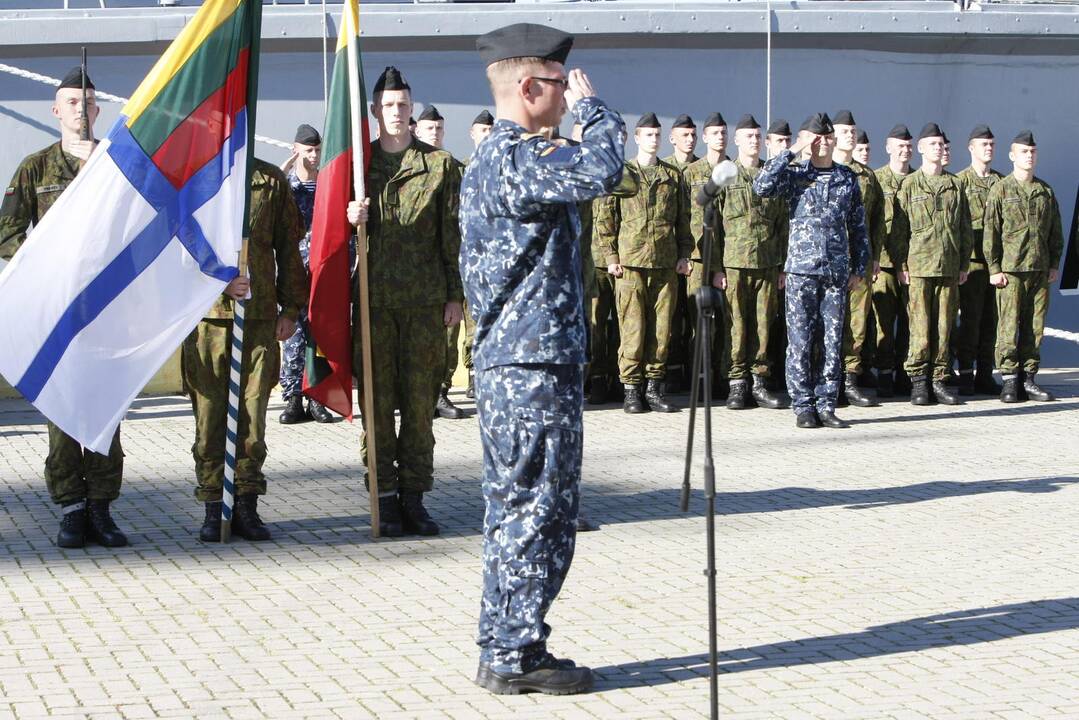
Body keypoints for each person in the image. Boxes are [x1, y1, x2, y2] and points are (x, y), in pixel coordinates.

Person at [460, 22, 625, 695]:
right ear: (529, 86)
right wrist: (595, 112)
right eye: (560, 83)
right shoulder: (511, 156)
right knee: (536, 510)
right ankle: (512, 653)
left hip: (527, 363)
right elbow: (603, 167)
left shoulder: (518, 156)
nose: (569, 94)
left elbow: (611, 177)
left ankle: (508, 643)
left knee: (524, 507)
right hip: (527, 369)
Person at [0, 66, 128, 549]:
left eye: (88, 101)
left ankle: (102, 509)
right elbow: (8, 231)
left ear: (99, 109)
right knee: (61, 413)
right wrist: (40, 275)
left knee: (105, 414)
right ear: (56, 110)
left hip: (106, 310)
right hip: (56, 316)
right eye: (71, 101)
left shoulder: (115, 165)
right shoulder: (36, 168)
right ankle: (71, 510)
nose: (81, 109)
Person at [345, 66, 463, 537]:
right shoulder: (357, 167)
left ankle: (415, 497)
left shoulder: (439, 165)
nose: (396, 113)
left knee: (418, 406)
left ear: (411, 110)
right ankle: (385, 497)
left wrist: (456, 293)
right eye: (388, 106)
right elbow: (330, 241)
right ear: (374, 112)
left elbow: (452, 234)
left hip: (424, 303)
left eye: (403, 105)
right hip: (373, 306)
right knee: (376, 404)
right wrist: (349, 216)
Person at [184, 159, 307, 542]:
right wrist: (220, 283)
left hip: (258, 318)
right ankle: (211, 504)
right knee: (210, 420)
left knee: (252, 419)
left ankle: (246, 504)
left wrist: (290, 309)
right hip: (205, 320)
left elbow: (289, 247)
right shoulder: (194, 173)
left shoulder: (269, 180)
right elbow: (178, 245)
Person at [753, 113, 870, 429]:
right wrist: (793, 150)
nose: (823, 144)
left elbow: (858, 227)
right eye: (816, 139)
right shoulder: (794, 176)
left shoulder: (847, 178)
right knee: (801, 340)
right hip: (802, 271)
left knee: (832, 341)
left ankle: (827, 403)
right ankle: (803, 405)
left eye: (827, 138)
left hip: (835, 271)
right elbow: (761, 186)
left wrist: (859, 267)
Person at [595, 113, 693, 413]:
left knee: (662, 331)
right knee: (633, 328)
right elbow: (606, 220)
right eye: (648, 135)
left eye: (656, 135)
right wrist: (611, 257)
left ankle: (654, 387)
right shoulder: (621, 174)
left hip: (664, 263)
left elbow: (683, 219)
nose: (653, 140)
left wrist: (683, 254)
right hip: (631, 264)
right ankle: (631, 390)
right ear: (636, 138)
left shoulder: (672, 175)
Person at [891, 123, 972, 406]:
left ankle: (939, 379)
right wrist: (901, 265)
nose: (938, 149)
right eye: (933, 144)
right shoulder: (910, 185)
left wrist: (963, 264)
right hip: (919, 268)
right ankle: (918, 383)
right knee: (920, 328)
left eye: (941, 144)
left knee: (945, 326)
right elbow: (899, 231)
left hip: (948, 267)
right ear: (921, 149)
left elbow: (963, 229)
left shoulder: (955, 185)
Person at [983, 130, 1063, 403]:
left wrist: (1053, 264)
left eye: (1032, 152)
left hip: (1039, 270)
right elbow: (990, 232)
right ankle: (1009, 380)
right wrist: (994, 269)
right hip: (1010, 272)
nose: (1028, 156)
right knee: (1008, 326)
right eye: (1023, 152)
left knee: (1034, 327)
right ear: (1012, 156)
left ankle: (1029, 378)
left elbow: (1055, 232)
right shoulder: (1001, 189)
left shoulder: (1044, 191)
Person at [715, 114, 787, 410]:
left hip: (768, 264)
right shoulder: (725, 173)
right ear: (737, 141)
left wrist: (782, 266)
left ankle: (759, 382)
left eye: (758, 137)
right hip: (733, 264)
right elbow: (710, 223)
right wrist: (715, 268)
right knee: (736, 325)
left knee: (763, 325)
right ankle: (736, 383)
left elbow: (784, 224)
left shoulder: (773, 175)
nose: (754, 142)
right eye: (748, 137)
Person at [277, 123, 334, 424]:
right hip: (293, 272)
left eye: (317, 150)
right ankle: (293, 398)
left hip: (322, 271)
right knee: (293, 336)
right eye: (308, 150)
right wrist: (284, 169)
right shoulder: (286, 185)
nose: (313, 156)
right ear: (296, 148)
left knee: (319, 336)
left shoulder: (328, 185)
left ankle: (316, 397)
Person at [414, 104, 467, 420]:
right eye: (429, 128)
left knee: (448, 334)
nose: (435, 133)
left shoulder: (456, 168)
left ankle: (441, 392)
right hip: (415, 271)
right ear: (417, 131)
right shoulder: (408, 168)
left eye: (439, 128)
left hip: (450, 265)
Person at [832, 110, 885, 408]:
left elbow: (877, 220)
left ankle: (850, 378)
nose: (850, 136)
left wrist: (874, 255)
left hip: (859, 260)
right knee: (829, 320)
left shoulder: (867, 176)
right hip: (828, 260)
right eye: (845, 131)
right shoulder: (820, 170)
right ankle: (828, 380)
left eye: (853, 131)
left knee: (857, 322)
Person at [683, 112, 733, 401]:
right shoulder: (691, 173)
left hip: (732, 258)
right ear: (705, 137)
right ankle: (698, 381)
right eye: (715, 133)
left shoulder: (733, 170)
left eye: (724, 133)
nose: (720, 137)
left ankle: (722, 379)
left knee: (727, 324)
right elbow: (682, 216)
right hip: (700, 260)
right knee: (700, 326)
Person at [953, 124, 1003, 396]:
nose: (988, 149)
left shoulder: (1002, 183)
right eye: (983, 144)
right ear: (971, 148)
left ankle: (986, 373)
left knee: (990, 322)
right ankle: (965, 374)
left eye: (992, 144)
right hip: (971, 264)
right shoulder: (960, 182)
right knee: (969, 322)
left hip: (995, 265)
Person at [872, 123, 914, 397]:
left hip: (915, 263)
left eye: (908, 146)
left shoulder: (919, 180)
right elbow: (873, 223)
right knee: (883, 324)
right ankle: (884, 374)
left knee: (911, 323)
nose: (904, 151)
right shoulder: (877, 180)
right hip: (885, 264)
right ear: (888, 148)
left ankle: (905, 373)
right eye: (899, 146)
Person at [661, 114, 698, 392]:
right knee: (671, 318)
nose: (690, 139)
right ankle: (671, 373)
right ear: (672, 138)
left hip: (697, 253)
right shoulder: (665, 170)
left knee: (697, 316)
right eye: (684, 135)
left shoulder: (704, 168)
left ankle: (696, 373)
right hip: (667, 254)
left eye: (693, 135)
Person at [459, 109, 495, 400]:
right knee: (473, 322)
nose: (487, 136)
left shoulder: (502, 169)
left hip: (497, 262)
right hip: (471, 260)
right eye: (482, 131)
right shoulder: (461, 169)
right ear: (472, 134)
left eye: (490, 131)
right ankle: (472, 374)